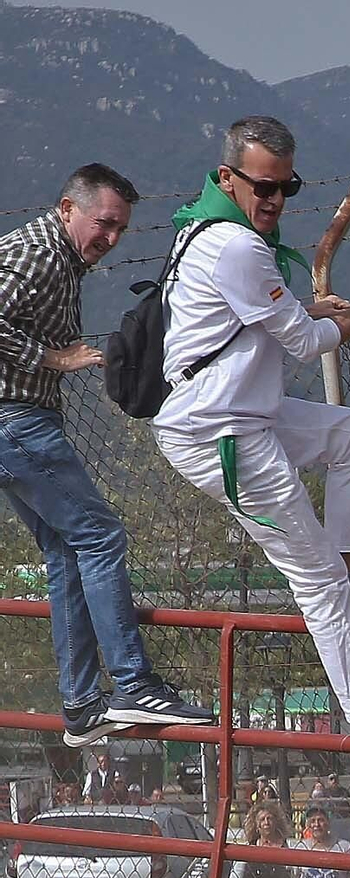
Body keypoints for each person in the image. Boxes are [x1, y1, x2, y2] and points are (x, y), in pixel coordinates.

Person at [153, 116, 350, 773]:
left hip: (244, 413)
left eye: (286, 186)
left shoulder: (210, 231)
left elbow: (287, 321)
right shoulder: (236, 248)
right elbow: (306, 341)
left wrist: (345, 314)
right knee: (314, 578)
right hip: (222, 433)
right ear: (226, 178)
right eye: (261, 185)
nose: (273, 198)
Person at [0, 163, 213, 746]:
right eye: (104, 223)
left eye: (120, 228)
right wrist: (52, 359)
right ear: (68, 208)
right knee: (101, 537)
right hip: (16, 421)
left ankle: (81, 706)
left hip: (23, 421)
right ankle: (133, 684)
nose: (111, 238)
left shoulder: (60, 256)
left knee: (68, 550)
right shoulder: (39, 252)